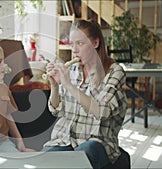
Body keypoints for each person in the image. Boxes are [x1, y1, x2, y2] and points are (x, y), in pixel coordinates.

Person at [43, 19, 128, 169]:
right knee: (44, 160)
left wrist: (68, 85)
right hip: (64, 140)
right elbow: (56, 110)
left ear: (95, 43)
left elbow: (102, 111)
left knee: (83, 154)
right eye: (72, 44)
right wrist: (55, 86)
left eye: (80, 44)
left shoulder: (114, 72)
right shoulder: (73, 70)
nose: (74, 50)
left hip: (96, 142)